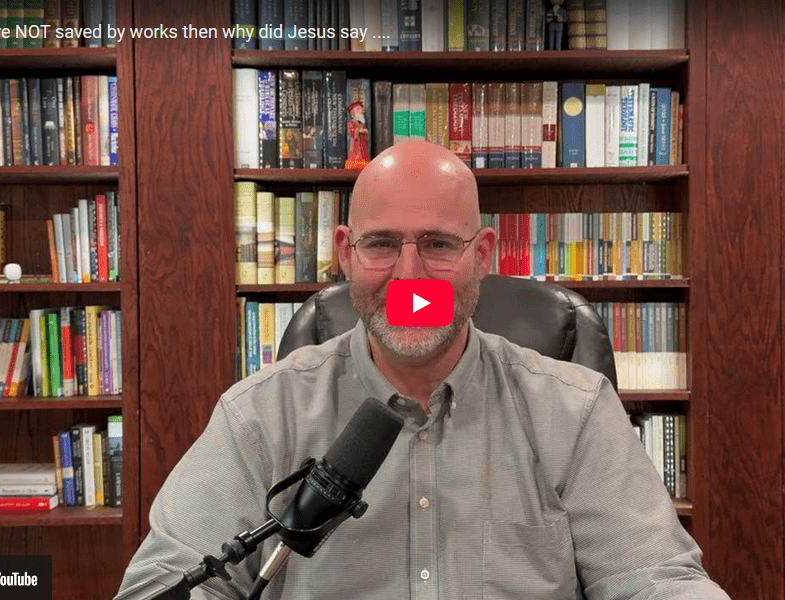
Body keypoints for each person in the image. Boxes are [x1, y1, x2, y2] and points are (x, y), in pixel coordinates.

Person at [116, 140, 730, 600]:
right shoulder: (258, 414)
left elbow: (656, 579)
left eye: (437, 244)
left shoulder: (576, 409)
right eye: (382, 244)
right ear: (345, 253)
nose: (409, 278)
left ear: (482, 254)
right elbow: (166, 582)